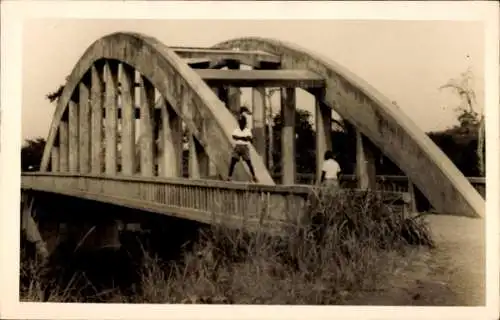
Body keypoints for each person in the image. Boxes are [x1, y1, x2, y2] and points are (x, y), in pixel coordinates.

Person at [228, 115, 258, 182]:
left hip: (245, 148)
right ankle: (229, 177)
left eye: (242, 122)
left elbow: (250, 139)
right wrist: (243, 138)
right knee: (233, 162)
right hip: (238, 147)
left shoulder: (247, 130)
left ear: (244, 123)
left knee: (249, 163)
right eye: (240, 122)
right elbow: (234, 137)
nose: (241, 124)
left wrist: (240, 138)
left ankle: (254, 176)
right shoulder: (237, 129)